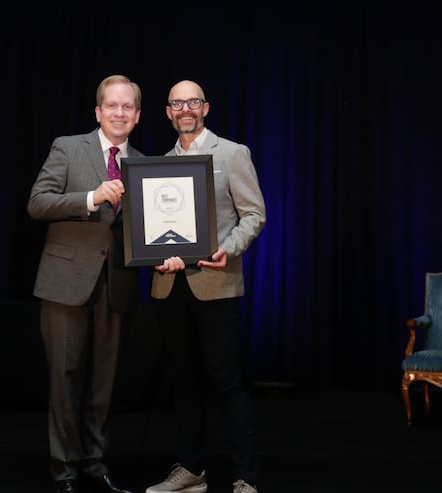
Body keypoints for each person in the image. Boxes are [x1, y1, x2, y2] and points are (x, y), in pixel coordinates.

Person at [145, 80, 266, 493]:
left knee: (226, 380)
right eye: (177, 103)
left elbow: (254, 214)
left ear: (205, 107)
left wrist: (227, 250)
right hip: (169, 286)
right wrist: (151, 252)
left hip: (216, 283)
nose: (185, 109)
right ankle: (191, 470)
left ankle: (245, 477)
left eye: (192, 102)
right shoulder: (157, 166)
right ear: (168, 112)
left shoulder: (232, 153)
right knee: (183, 381)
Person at [27, 74, 143, 493]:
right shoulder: (68, 147)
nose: (119, 113)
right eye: (112, 105)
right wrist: (91, 198)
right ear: (98, 111)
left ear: (137, 115)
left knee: (103, 383)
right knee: (65, 378)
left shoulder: (145, 165)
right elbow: (38, 203)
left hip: (118, 285)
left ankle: (95, 461)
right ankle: (64, 468)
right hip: (65, 282)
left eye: (127, 106)